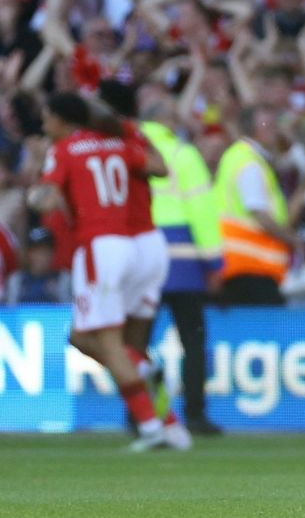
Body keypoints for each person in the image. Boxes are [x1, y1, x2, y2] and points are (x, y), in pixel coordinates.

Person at [26, 92, 185, 451]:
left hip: (101, 246)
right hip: (139, 244)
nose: (44, 125)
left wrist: (33, 192)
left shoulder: (65, 149)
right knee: (92, 338)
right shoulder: (120, 140)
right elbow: (160, 169)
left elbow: (46, 201)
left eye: (47, 118)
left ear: (61, 120)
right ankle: (160, 404)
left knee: (107, 343)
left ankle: (150, 426)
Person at [141, 101, 225, 436]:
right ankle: (195, 415)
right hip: (184, 262)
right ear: (164, 120)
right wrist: (214, 262)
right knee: (193, 340)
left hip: (142, 256)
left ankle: (142, 415)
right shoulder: (182, 154)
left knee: (138, 342)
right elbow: (202, 210)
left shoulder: (130, 151)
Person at [213, 106, 295, 305]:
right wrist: (292, 239)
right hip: (252, 267)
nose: (274, 130)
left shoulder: (238, 155)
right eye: (268, 125)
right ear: (251, 128)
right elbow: (258, 212)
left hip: (238, 264)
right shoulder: (249, 162)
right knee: (267, 322)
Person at [4, 226, 71, 304]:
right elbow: (11, 309)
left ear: (53, 253)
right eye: (36, 251)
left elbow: (68, 308)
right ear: (28, 254)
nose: (41, 256)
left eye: (45, 251)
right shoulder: (17, 280)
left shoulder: (63, 279)